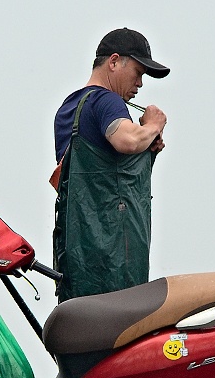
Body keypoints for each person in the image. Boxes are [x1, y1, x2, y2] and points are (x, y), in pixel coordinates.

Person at [52, 27, 170, 304]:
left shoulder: (68, 108)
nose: (140, 84)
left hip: (76, 253)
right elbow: (127, 140)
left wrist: (146, 150)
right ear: (114, 62)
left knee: (81, 321)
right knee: (124, 321)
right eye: (138, 73)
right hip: (113, 256)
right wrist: (153, 125)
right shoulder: (107, 101)